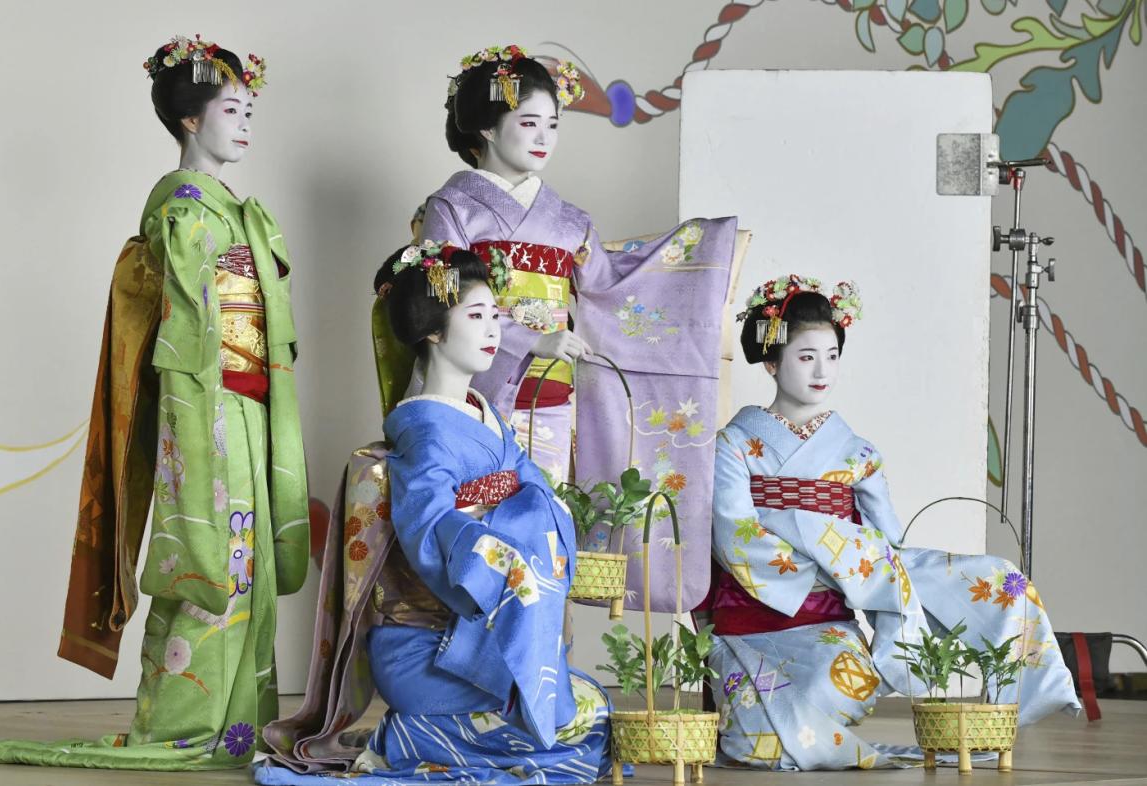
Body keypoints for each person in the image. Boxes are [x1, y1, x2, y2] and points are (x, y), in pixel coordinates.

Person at [0, 35, 309, 769]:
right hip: (205, 407)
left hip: (248, 407)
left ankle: (239, 726)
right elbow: (188, 336)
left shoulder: (226, 208)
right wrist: (198, 424)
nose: (244, 123)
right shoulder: (181, 210)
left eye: (249, 110)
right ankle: (186, 722)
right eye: (230, 109)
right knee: (205, 562)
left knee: (244, 563)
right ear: (191, 121)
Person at [257, 243, 610, 785]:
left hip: (474, 636)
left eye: (496, 315)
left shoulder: (482, 413)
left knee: (588, 708)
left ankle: (439, 734)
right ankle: (413, 737)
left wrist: (534, 517)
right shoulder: (424, 431)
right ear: (434, 330)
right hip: (427, 645)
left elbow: (534, 488)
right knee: (570, 726)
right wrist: (507, 559)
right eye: (476, 316)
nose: (493, 328)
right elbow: (429, 530)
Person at [701, 274, 1079, 770]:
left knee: (989, 585)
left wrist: (846, 558)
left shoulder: (858, 453)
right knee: (756, 742)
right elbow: (734, 534)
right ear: (772, 361)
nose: (822, 371)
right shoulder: (732, 444)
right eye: (806, 356)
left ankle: (1016, 697)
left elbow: (887, 546)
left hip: (827, 618)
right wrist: (829, 555)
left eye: (832, 356)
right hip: (754, 620)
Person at [415, 46, 738, 609]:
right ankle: (480, 677)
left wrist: (698, 255)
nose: (544, 137)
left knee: (545, 537)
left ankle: (546, 672)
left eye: (553, 125)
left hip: (555, 401)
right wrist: (524, 338)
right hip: (478, 394)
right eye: (528, 122)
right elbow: (439, 297)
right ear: (488, 129)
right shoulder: (454, 208)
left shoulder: (570, 222)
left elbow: (619, 292)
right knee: (479, 532)